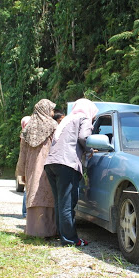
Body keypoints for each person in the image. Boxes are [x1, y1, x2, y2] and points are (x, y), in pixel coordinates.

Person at [44, 98, 98, 247]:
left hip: (51, 163)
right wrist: (91, 149)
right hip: (66, 163)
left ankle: (62, 235)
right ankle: (70, 240)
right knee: (67, 203)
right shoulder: (84, 118)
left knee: (60, 202)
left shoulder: (67, 119)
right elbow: (84, 137)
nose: (93, 117)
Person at [15, 99, 58, 238]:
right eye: (51, 109)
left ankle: (33, 230)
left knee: (33, 192)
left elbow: (22, 152)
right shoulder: (53, 125)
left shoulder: (28, 128)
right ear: (45, 110)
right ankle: (49, 230)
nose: (52, 113)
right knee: (48, 194)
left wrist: (21, 172)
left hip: (31, 167)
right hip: (48, 165)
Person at [18, 116, 31, 218]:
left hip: (27, 163)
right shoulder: (28, 133)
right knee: (28, 189)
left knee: (27, 188)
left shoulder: (23, 134)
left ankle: (25, 212)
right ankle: (26, 212)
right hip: (30, 163)